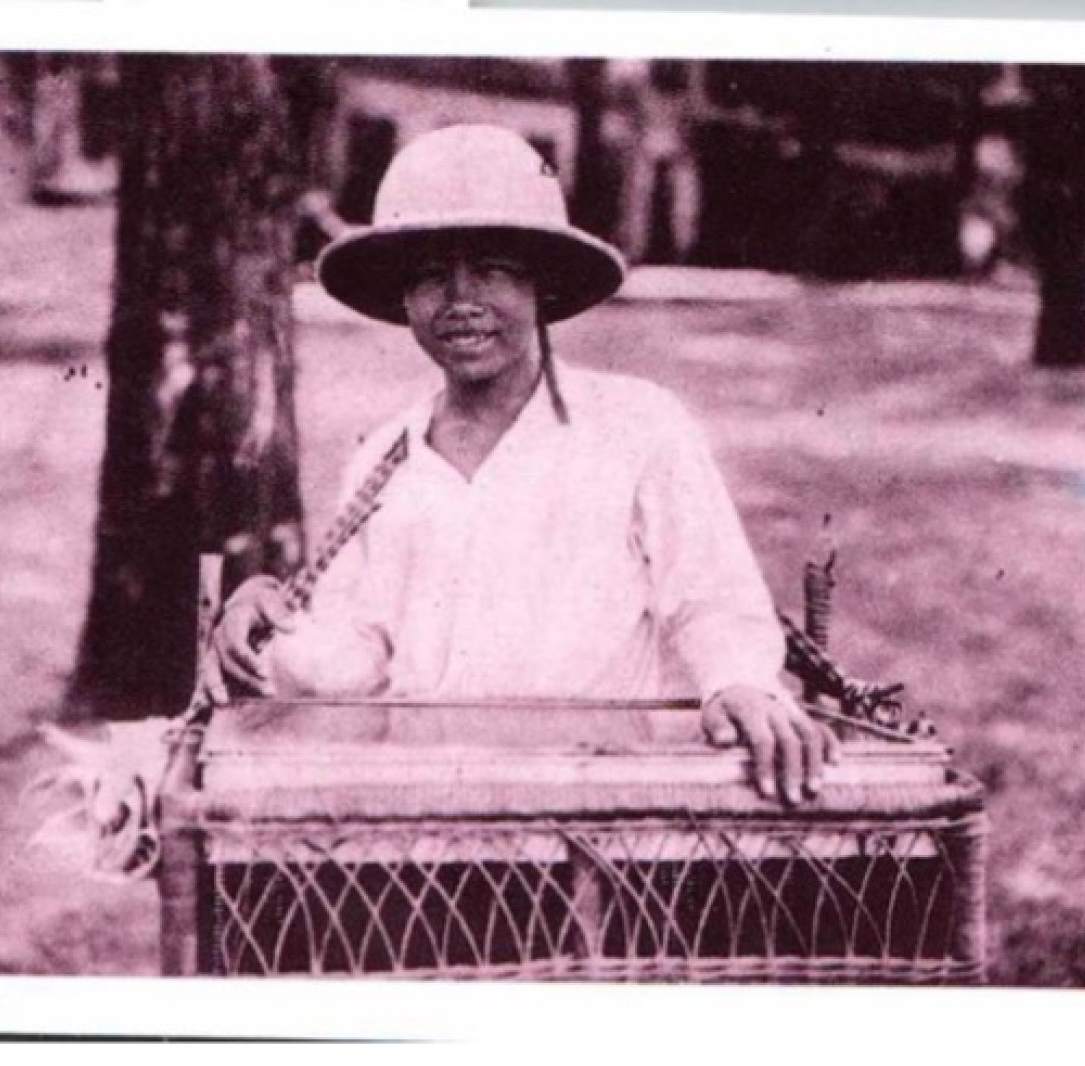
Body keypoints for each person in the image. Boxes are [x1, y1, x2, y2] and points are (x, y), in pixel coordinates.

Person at [206, 124, 837, 805]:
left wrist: (738, 681)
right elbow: (353, 656)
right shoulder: (383, 457)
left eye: (493, 270)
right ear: (402, 298)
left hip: (602, 808)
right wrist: (265, 625)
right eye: (428, 276)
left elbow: (711, 599)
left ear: (542, 286)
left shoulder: (636, 425)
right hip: (434, 815)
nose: (459, 299)